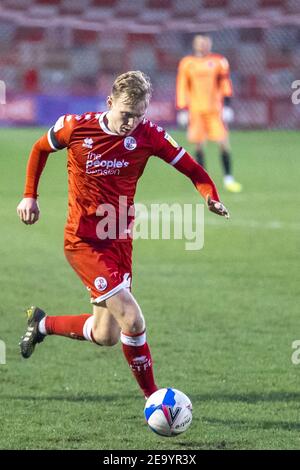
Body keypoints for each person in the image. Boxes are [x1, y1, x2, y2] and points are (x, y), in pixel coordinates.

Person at [17, 71, 229, 400]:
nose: (131, 122)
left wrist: (209, 194)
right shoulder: (75, 126)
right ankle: (155, 398)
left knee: (106, 334)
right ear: (110, 103)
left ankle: (43, 324)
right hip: (83, 241)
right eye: (125, 114)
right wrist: (30, 195)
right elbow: (39, 148)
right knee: (132, 318)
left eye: (139, 115)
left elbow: (191, 167)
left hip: (119, 241)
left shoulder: (149, 135)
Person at [176, 34, 242, 193]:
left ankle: (228, 179)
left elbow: (225, 82)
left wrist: (227, 106)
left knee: (223, 143)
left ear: (210, 44)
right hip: (196, 111)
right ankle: (203, 182)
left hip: (215, 111)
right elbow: (182, 86)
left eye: (205, 42)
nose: (202, 45)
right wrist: (182, 109)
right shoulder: (187, 63)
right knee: (198, 146)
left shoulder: (219, 61)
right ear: (194, 44)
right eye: (199, 42)